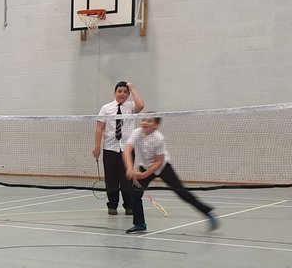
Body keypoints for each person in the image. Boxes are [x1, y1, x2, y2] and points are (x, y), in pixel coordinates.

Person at [122, 115, 218, 234]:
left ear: (156, 125)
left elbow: (159, 161)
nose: (145, 122)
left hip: (162, 167)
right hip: (145, 165)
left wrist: (145, 175)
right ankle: (140, 224)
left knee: (182, 193)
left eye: (149, 121)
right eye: (143, 120)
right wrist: (130, 168)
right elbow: (127, 149)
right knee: (135, 194)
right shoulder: (136, 133)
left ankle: (208, 212)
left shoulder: (159, 138)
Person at [91, 80, 144, 216]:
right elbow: (99, 128)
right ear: (115, 93)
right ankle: (112, 205)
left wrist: (132, 87)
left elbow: (141, 105)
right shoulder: (106, 108)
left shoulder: (131, 107)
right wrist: (97, 147)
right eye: (119, 91)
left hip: (127, 149)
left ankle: (129, 206)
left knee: (127, 178)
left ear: (128, 94)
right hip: (109, 148)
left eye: (125, 92)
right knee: (111, 179)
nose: (122, 94)